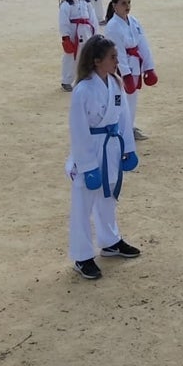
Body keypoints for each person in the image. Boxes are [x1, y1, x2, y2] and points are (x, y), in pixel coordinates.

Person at [66, 35, 140, 281]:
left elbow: (123, 119)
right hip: (90, 148)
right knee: (83, 205)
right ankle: (82, 255)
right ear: (97, 61)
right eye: (113, 57)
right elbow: (78, 131)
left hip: (111, 147)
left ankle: (110, 241)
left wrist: (128, 148)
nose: (117, 61)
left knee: (108, 197)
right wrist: (87, 165)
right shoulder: (83, 90)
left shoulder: (115, 83)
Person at [103, 0, 157, 141]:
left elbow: (143, 44)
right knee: (120, 99)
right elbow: (118, 52)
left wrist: (149, 67)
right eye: (123, 3)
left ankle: (129, 126)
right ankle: (120, 129)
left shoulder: (133, 22)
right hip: (120, 68)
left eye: (128, 3)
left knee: (132, 100)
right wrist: (125, 74)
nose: (127, 6)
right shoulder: (113, 26)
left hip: (135, 64)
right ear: (114, 6)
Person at [58, 0, 99, 92]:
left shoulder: (86, 2)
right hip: (74, 35)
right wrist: (66, 38)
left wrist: (95, 34)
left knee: (88, 56)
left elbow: (93, 19)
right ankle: (67, 80)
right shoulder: (66, 5)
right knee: (71, 58)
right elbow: (63, 22)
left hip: (86, 32)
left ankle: (87, 77)